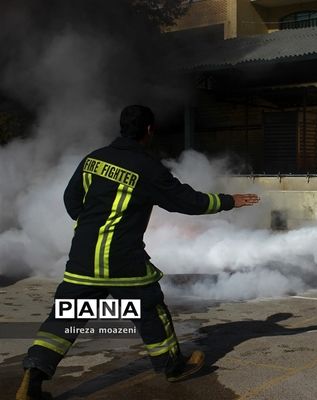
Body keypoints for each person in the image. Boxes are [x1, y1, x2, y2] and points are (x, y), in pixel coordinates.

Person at [16, 105, 260, 400]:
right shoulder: (147, 167)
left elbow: (71, 199)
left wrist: (91, 226)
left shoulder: (93, 159)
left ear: (121, 127)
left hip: (82, 259)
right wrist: (228, 201)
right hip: (124, 261)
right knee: (151, 311)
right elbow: (187, 201)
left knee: (64, 317)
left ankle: (34, 374)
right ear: (148, 131)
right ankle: (173, 367)